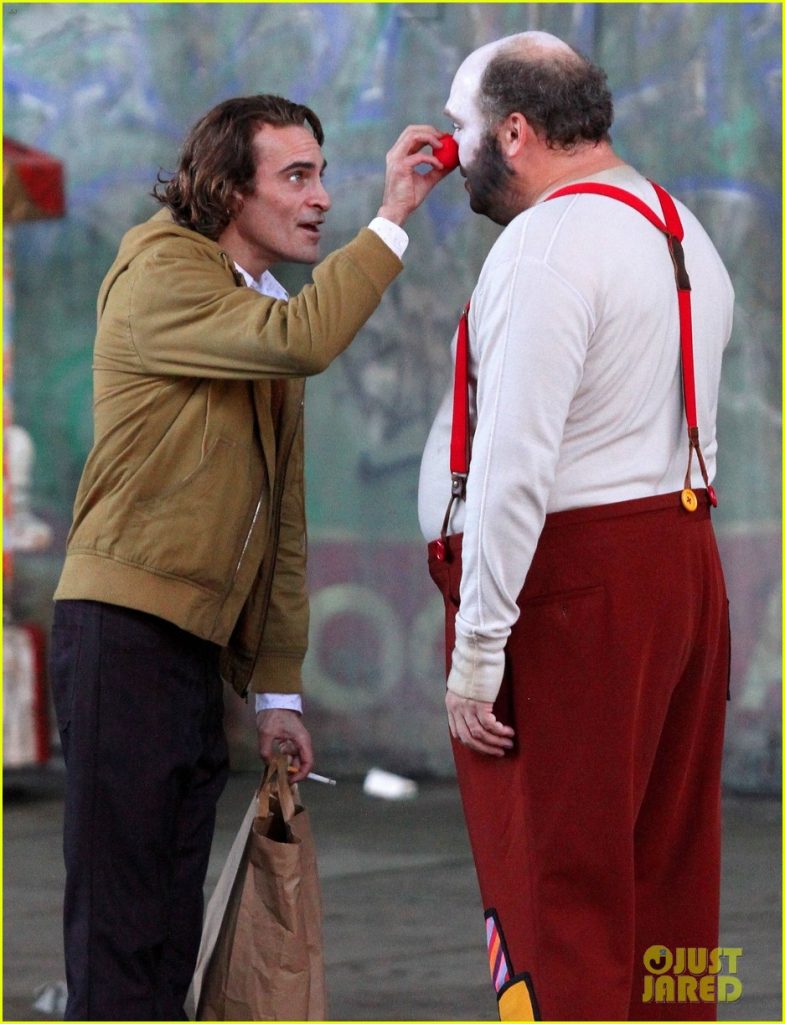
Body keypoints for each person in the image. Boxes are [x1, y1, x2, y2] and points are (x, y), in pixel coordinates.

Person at [49, 93, 452, 1021]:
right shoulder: (162, 270)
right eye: (296, 177)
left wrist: (276, 692)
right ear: (230, 190)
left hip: (190, 645)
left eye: (323, 175)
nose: (320, 198)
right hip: (123, 628)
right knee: (120, 928)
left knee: (168, 927)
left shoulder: (253, 307)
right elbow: (305, 341)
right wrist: (392, 216)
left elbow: (280, 522)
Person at [419, 33, 734, 1022]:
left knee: (557, 888)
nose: (449, 151)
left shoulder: (546, 246)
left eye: (461, 128)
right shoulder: (677, 226)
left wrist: (477, 653)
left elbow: (514, 463)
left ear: (513, 132)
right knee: (669, 873)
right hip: (678, 563)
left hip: (575, 592)